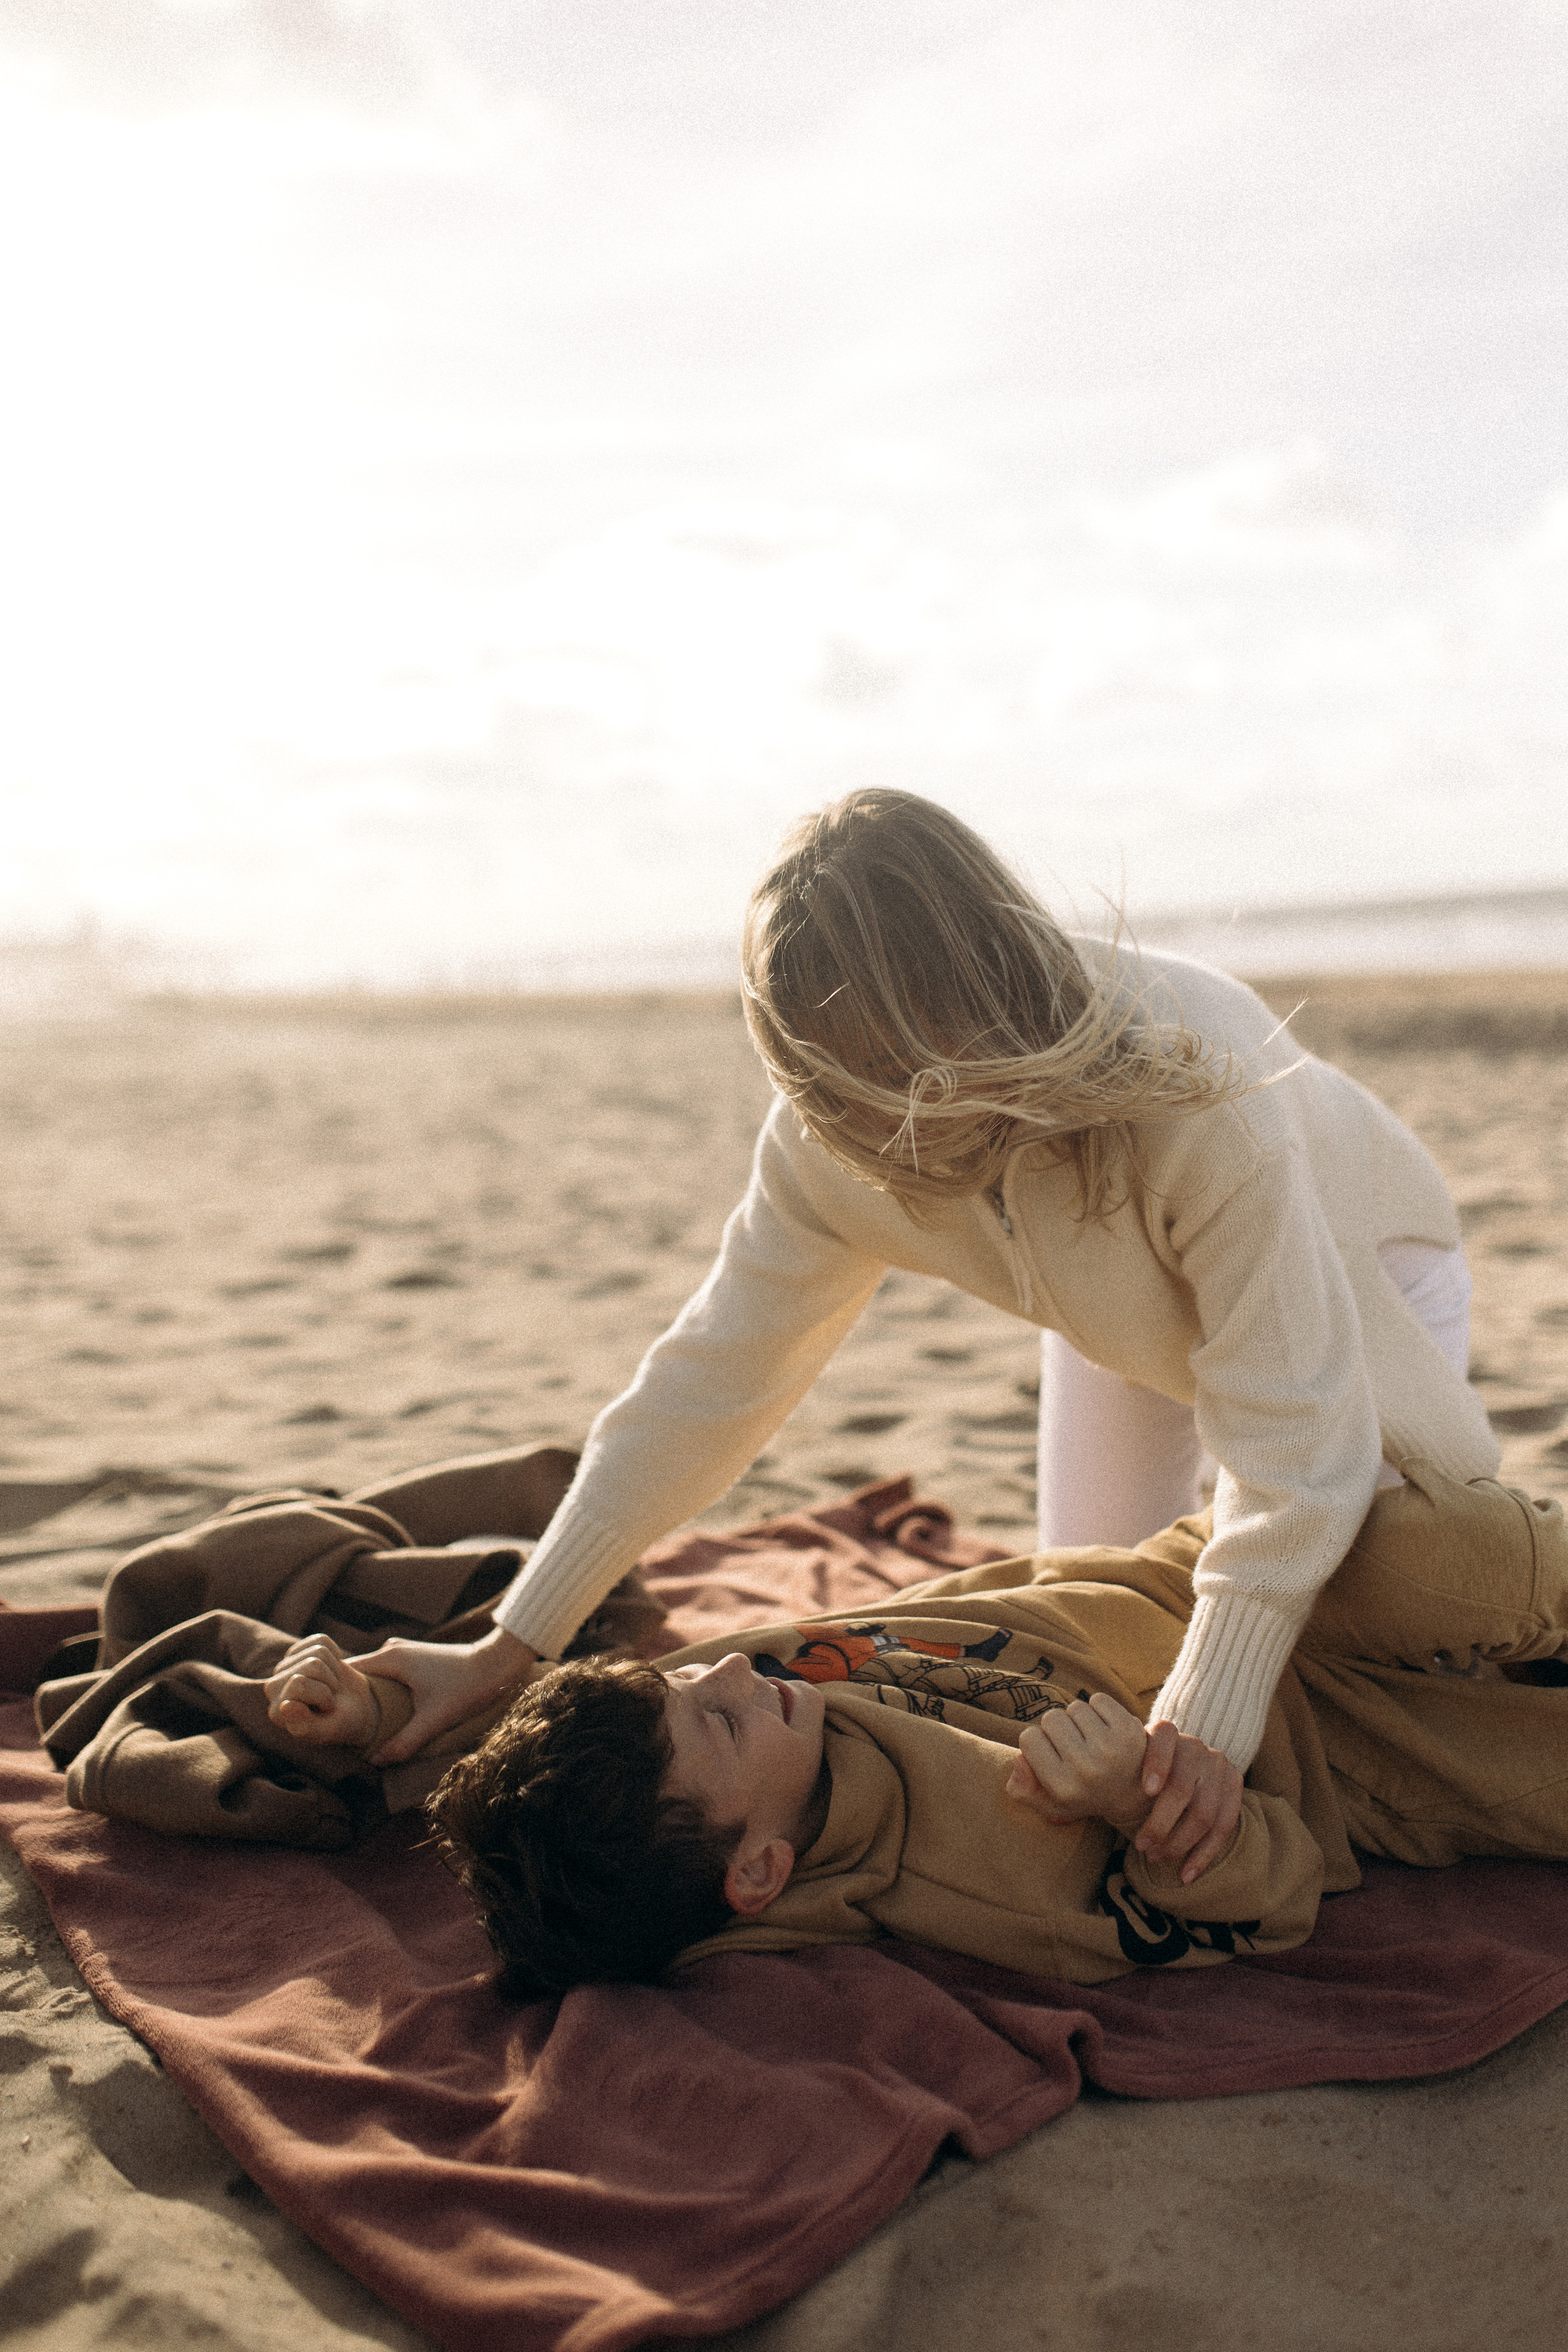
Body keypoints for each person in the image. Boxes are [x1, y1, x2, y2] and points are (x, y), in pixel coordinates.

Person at [348, 790, 1500, 1880]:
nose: (899, 1124)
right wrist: (513, 1644)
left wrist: (1202, 1729)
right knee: (1096, 1629)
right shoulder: (826, 1133)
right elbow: (711, 1383)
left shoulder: (1196, 1079)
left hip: (1360, 1271)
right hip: (1118, 1314)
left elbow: (1299, 1442)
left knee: (1406, 1625)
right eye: (852, 1086)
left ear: (990, 975)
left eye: (918, 1066)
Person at [268, 1461, 1568, 1996]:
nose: (711, 1674)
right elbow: (1266, 1894)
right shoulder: (980, 1858)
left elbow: (551, 1739)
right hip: (1363, 1751)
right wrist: (1132, 1805)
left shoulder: (716, 1718)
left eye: (685, 1683)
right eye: (710, 1720)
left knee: (1441, 1550)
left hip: (1213, 1572)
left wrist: (379, 1708)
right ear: (759, 1870)